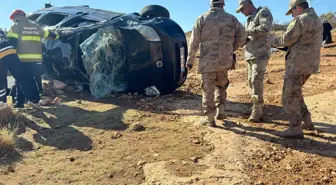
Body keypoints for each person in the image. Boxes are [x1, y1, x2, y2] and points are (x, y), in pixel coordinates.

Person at [187, 0, 246, 126]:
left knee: (208, 89)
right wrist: (231, 48)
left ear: (211, 4)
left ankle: (210, 118)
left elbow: (194, 42)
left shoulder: (202, 18)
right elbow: (243, 36)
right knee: (221, 85)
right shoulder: (231, 19)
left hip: (208, 61)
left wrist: (190, 61)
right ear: (223, 4)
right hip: (225, 60)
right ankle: (221, 111)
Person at [270, 0, 323, 138]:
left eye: (292, 12)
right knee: (296, 91)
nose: (292, 15)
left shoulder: (300, 20)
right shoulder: (316, 19)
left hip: (297, 64)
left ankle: (295, 128)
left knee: (288, 96)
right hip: (310, 64)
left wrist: (270, 41)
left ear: (298, 8)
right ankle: (307, 121)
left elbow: (286, 39)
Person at [6, 9, 59, 108]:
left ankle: (22, 102)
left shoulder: (16, 27)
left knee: (21, 80)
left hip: (21, 59)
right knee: (29, 79)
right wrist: (58, 34)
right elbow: (52, 35)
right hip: (35, 59)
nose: (13, 20)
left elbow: (11, 43)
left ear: (19, 16)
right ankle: (31, 100)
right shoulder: (37, 27)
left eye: (14, 18)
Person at [236, 0, 273, 122]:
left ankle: (257, 110)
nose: (241, 12)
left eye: (242, 9)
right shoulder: (248, 19)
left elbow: (265, 28)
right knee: (251, 82)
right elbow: (248, 38)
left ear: (248, 5)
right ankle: (256, 106)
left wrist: (246, 32)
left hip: (261, 53)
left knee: (256, 81)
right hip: (250, 54)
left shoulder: (263, 12)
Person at [0, 28, 27, 104]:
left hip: (1, 56)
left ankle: (2, 102)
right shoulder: (2, 31)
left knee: (1, 80)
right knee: (20, 78)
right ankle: (23, 99)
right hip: (12, 54)